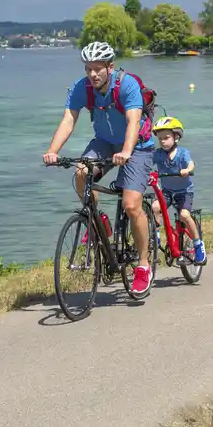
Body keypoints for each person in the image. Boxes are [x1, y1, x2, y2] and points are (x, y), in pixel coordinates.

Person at [42, 41, 156, 294]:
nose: (92, 74)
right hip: (104, 142)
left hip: (137, 146)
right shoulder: (82, 88)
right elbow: (68, 120)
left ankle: (143, 265)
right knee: (81, 172)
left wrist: (126, 152)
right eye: (88, 69)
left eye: (98, 69)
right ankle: (99, 220)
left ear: (110, 67)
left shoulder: (127, 85)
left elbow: (133, 121)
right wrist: (53, 151)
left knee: (131, 205)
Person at [150, 116, 206, 266]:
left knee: (184, 215)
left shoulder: (182, 153)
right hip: (167, 191)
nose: (162, 141)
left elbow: (191, 163)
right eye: (160, 138)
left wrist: (187, 170)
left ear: (176, 137)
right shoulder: (158, 154)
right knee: (155, 207)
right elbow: (148, 163)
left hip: (184, 192)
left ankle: (198, 244)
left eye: (166, 138)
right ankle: (156, 237)